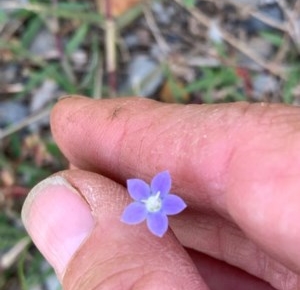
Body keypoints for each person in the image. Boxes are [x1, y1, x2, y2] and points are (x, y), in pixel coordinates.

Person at [22, 96, 300, 290]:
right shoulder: (144, 200)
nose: (155, 200)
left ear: (160, 196)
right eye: (153, 200)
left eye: (157, 199)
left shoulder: (162, 202)